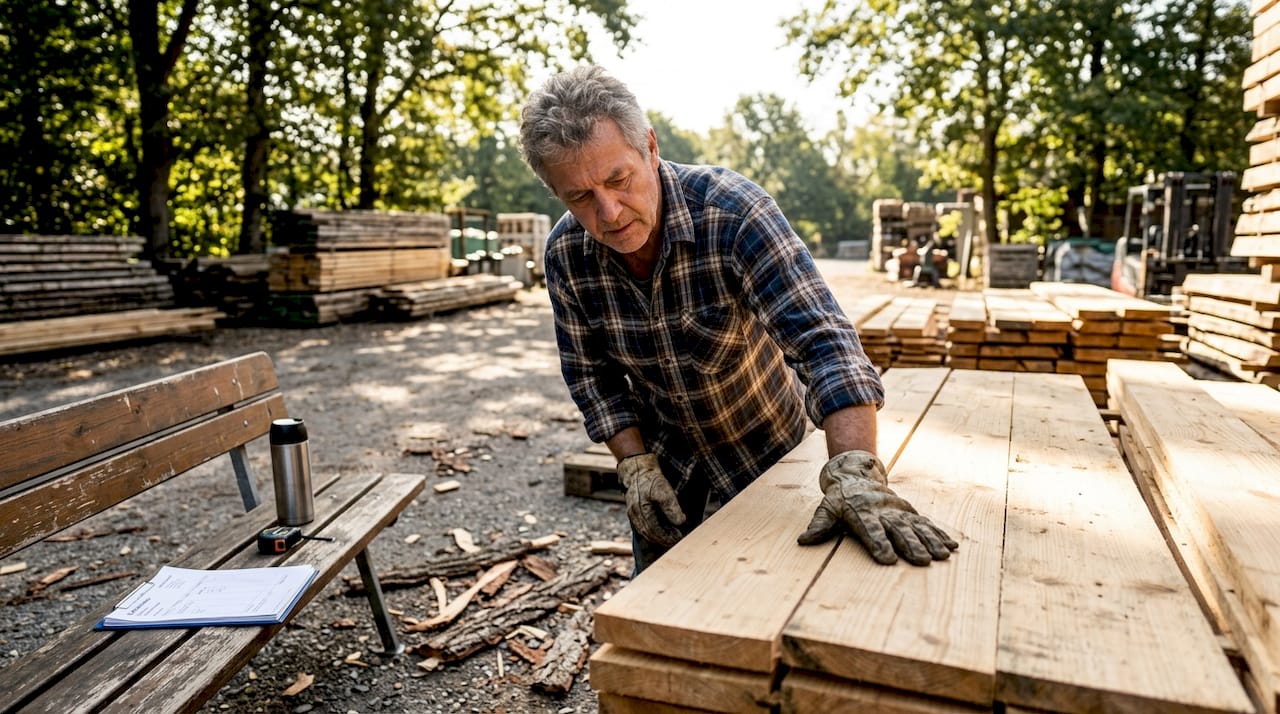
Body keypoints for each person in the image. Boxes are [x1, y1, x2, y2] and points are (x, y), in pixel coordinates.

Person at [518, 65, 957, 573]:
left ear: (651, 147)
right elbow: (592, 378)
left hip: (773, 469)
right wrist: (635, 467)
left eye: (620, 180)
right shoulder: (566, 255)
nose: (610, 212)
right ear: (556, 193)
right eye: (580, 197)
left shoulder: (733, 214)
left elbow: (825, 344)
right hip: (669, 479)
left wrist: (855, 473)